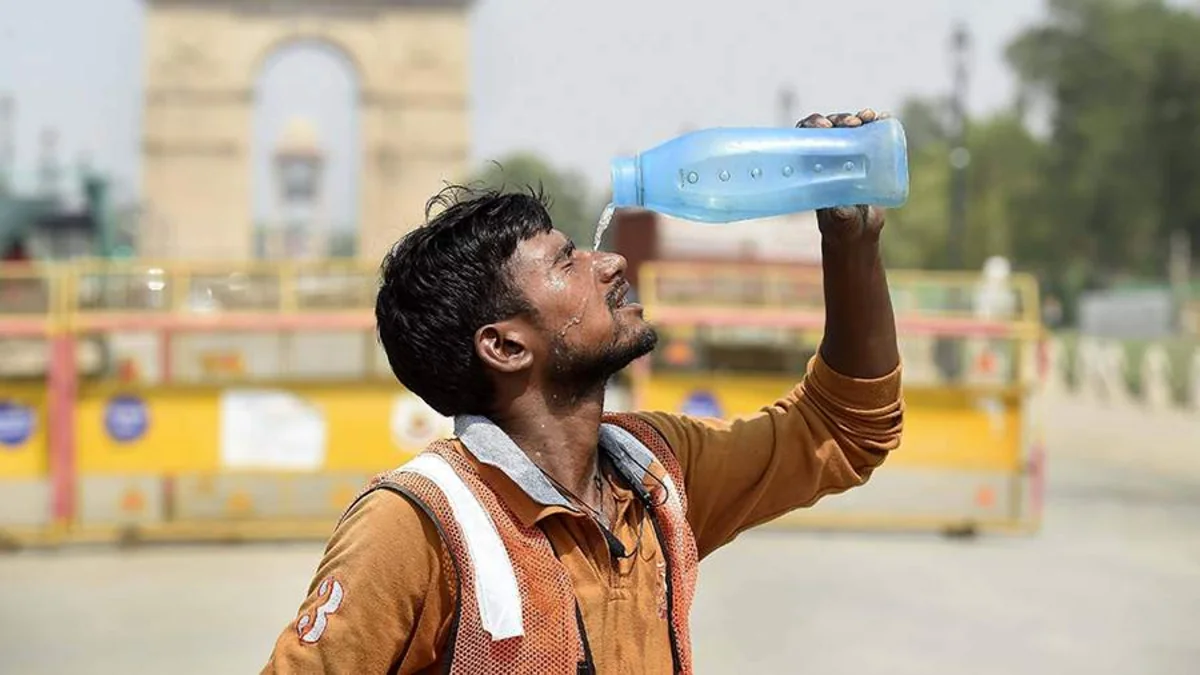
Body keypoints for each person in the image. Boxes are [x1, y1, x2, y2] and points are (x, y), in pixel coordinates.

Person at [263, 109, 904, 674]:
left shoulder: (656, 476)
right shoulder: (417, 527)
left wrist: (851, 246)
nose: (611, 262)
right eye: (567, 262)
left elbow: (844, 429)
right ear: (507, 346)